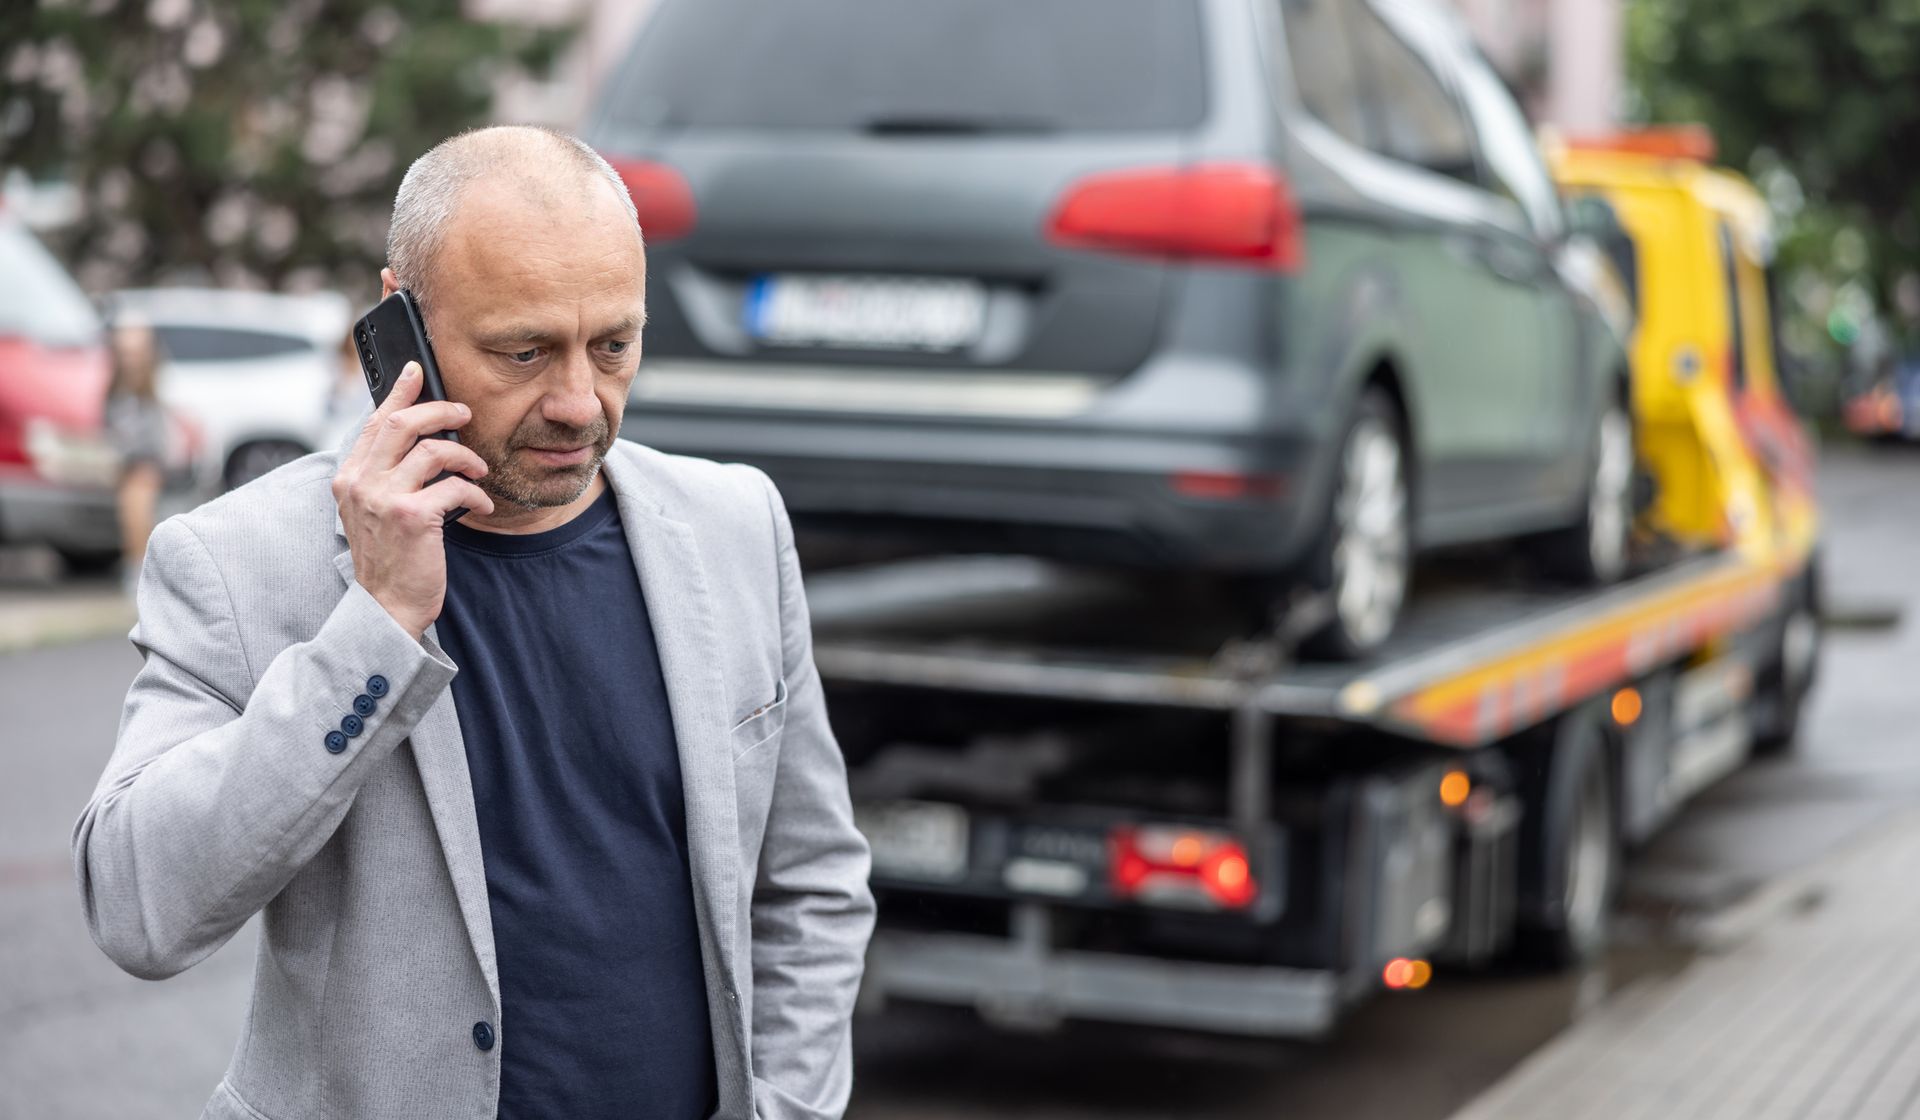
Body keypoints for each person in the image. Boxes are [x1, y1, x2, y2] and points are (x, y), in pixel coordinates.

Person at [74, 126, 875, 1120]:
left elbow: (810, 882)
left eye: (614, 344)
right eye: (524, 350)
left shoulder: (734, 528)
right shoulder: (238, 558)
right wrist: (373, 625)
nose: (580, 401)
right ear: (400, 319)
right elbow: (139, 907)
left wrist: (787, 1108)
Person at [100, 313, 169, 592]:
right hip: (124, 461)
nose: (130, 359)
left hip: (148, 461)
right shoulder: (116, 389)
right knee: (130, 506)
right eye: (125, 352)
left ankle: (139, 565)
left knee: (138, 501)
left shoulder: (154, 388)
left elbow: (160, 434)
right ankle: (134, 563)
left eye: (135, 352)